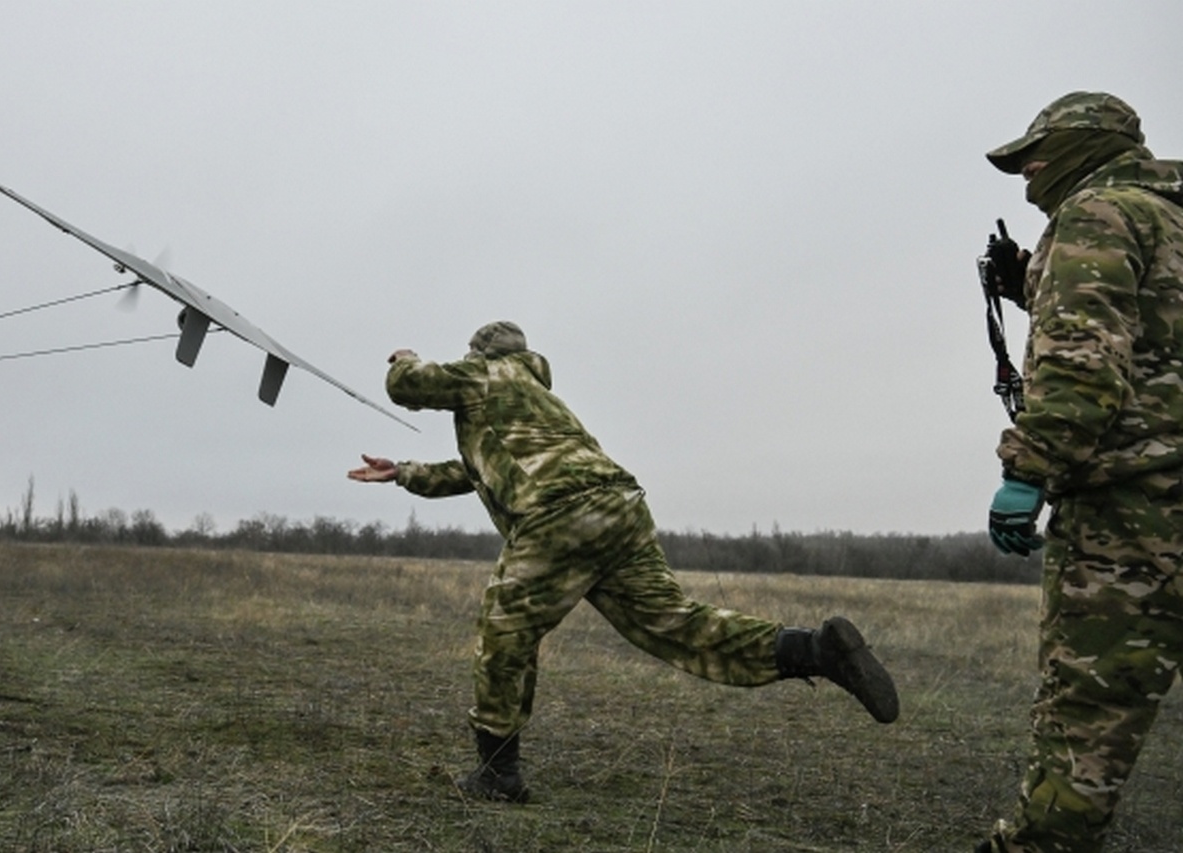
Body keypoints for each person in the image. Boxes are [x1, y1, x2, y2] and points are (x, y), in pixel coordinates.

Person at [348, 320, 899, 803]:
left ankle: (498, 773)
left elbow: (408, 387)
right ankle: (813, 649)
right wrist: (403, 472)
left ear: (478, 355)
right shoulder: (533, 403)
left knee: (504, 632)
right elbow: (472, 472)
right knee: (674, 623)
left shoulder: (488, 374)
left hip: (563, 515)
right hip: (620, 509)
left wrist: (404, 360)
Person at [976, 92, 1183, 853]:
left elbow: (1085, 366)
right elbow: (1158, 335)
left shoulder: (1094, 216)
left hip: (1136, 513)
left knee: (1090, 713)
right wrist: (1032, 280)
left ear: (1086, 147)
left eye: (1037, 151)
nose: (1028, 170)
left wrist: (1026, 473)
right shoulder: (1169, 217)